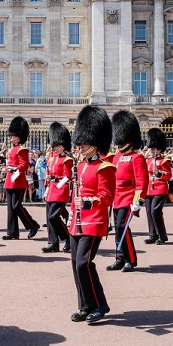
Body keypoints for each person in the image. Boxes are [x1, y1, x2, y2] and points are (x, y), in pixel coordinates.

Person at [68, 105, 115, 324]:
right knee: (75, 265)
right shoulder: (79, 166)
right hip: (76, 222)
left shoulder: (105, 167)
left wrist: (88, 202)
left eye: (84, 142)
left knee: (83, 263)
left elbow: (107, 197)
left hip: (94, 221)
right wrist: (72, 213)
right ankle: (85, 306)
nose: (81, 145)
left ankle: (99, 305)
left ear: (94, 142)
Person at [108, 111, 148, 273]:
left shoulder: (137, 158)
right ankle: (120, 258)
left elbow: (142, 181)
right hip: (116, 198)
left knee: (122, 226)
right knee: (117, 228)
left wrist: (138, 200)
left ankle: (130, 259)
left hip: (128, 198)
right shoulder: (116, 157)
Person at [2, 116, 40, 240]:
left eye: (12, 135)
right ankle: (12, 232)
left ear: (18, 137)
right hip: (9, 180)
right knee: (10, 208)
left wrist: (11, 169)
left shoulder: (22, 150)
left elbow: (24, 165)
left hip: (18, 181)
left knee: (16, 205)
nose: (10, 137)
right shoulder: (11, 149)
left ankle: (32, 225)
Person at [41, 122, 72, 253]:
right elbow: (49, 173)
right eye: (54, 145)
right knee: (49, 218)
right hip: (51, 189)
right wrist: (48, 187)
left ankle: (68, 238)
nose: (54, 148)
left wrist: (57, 184)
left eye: (57, 145)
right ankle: (53, 243)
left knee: (53, 217)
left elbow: (67, 176)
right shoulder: (52, 158)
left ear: (63, 145)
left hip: (60, 190)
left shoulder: (67, 159)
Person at [144, 128, 170, 245]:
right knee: (149, 212)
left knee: (155, 211)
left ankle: (162, 236)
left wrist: (159, 173)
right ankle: (152, 235)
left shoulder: (164, 161)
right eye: (151, 148)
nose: (151, 150)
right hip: (149, 189)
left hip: (160, 189)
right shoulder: (148, 160)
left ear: (159, 149)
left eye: (154, 148)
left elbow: (169, 175)